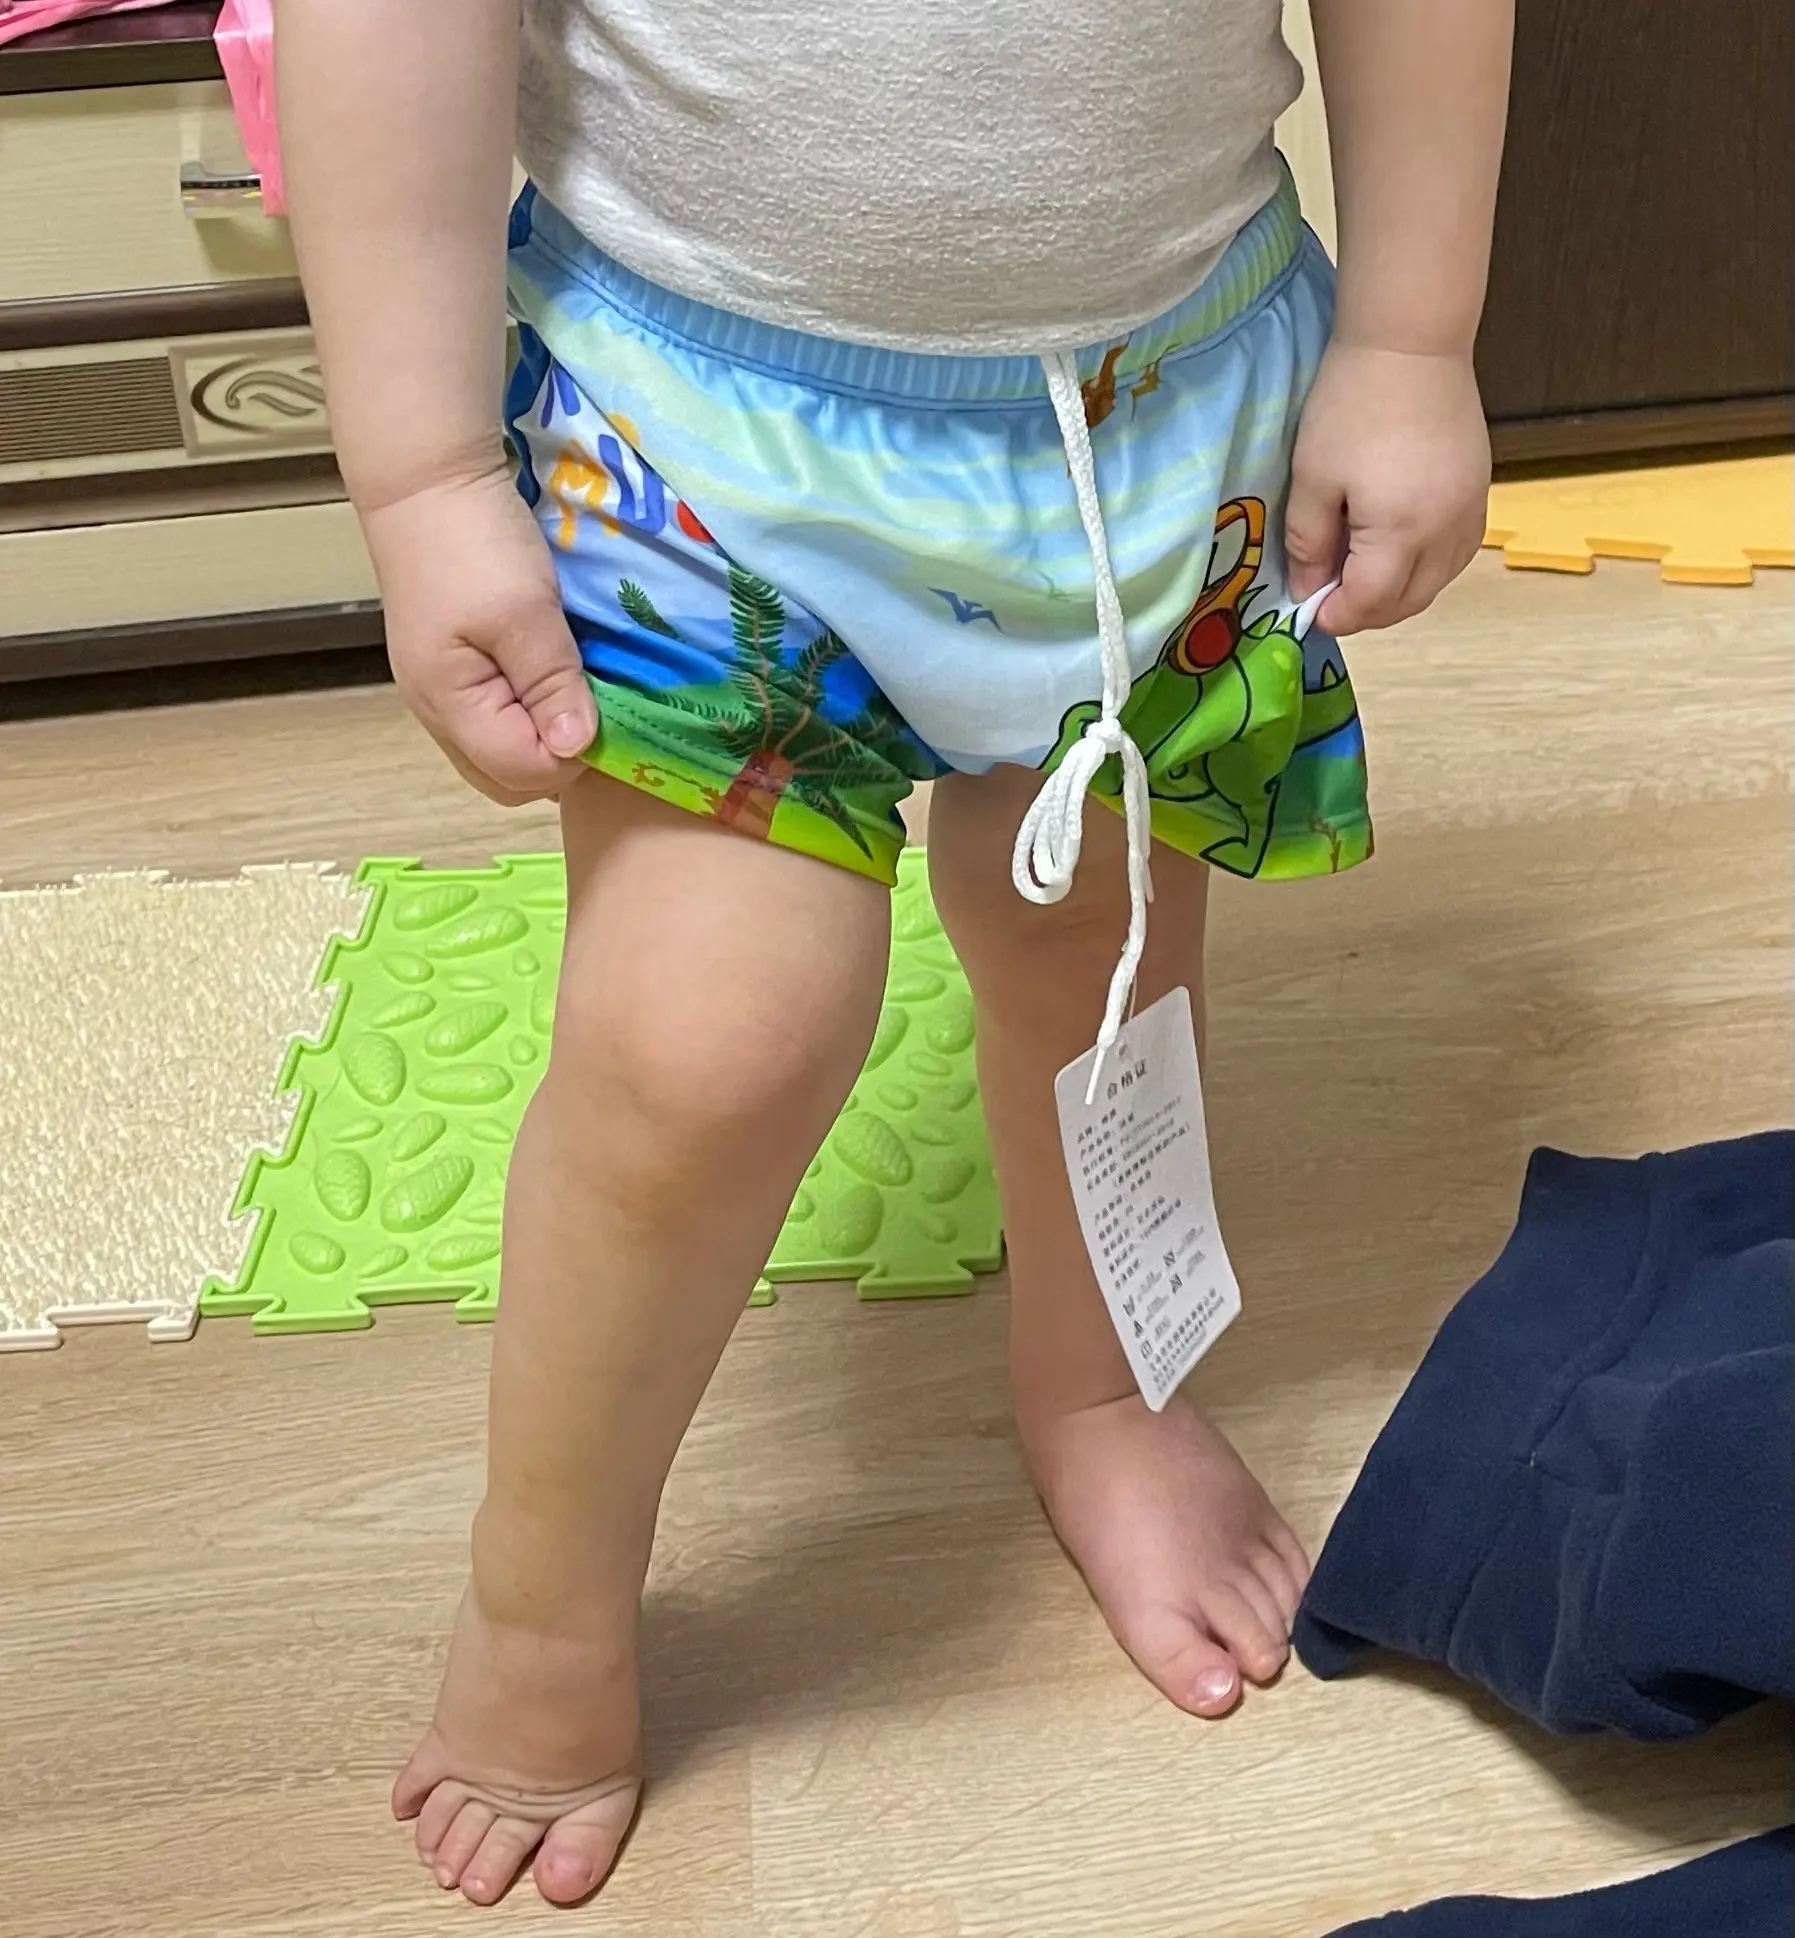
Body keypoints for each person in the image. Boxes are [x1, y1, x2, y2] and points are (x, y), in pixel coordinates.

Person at [280, 0, 1510, 1905]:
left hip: (1160, 403)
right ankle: (542, 1594)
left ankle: (1098, 1385)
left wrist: (1414, 336)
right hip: (690, 430)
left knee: (1091, 935)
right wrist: (423, 477)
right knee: (704, 1041)